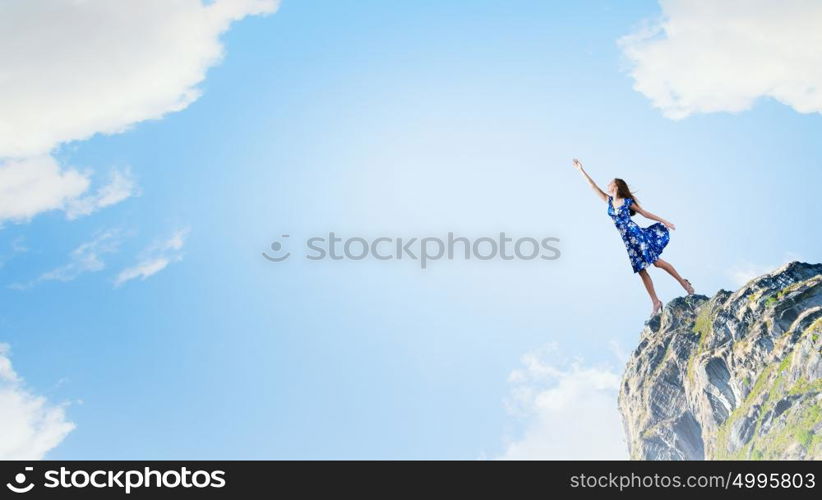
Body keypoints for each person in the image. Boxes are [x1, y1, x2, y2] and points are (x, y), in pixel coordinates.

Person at [572, 158, 694, 316]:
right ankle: (656, 302)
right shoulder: (608, 201)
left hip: (636, 234)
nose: (607, 185)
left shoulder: (627, 202)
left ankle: (683, 283)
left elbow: (644, 213)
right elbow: (592, 186)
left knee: (657, 262)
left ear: (616, 186)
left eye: (610, 183)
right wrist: (580, 170)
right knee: (641, 271)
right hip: (628, 241)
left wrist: (664, 220)